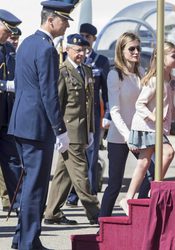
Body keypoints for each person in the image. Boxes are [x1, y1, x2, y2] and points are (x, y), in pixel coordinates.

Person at [8, 1, 74, 249]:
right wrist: (60, 129)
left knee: (28, 186)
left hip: (21, 123)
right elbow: (49, 93)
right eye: (64, 20)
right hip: (37, 127)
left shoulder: (26, 43)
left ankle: (20, 238)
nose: (66, 25)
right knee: (35, 188)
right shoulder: (46, 49)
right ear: (51, 20)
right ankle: (29, 242)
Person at [119, 41, 175, 215]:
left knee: (144, 163)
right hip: (146, 126)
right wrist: (154, 118)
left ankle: (130, 197)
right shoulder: (154, 80)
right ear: (161, 58)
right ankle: (154, 188)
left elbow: (171, 108)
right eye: (173, 55)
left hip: (157, 127)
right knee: (167, 153)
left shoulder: (171, 80)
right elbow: (140, 104)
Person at [44, 33, 100, 226]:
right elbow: (56, 104)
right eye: (77, 50)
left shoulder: (87, 70)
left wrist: (91, 130)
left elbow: (90, 103)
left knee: (64, 173)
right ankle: (95, 213)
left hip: (82, 130)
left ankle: (52, 211)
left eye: (84, 50)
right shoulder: (62, 71)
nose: (81, 54)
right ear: (67, 50)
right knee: (80, 173)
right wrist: (58, 131)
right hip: (70, 131)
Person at [99, 32, 155, 217]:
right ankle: (103, 222)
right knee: (115, 184)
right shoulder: (115, 75)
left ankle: (137, 210)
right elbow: (114, 110)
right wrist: (128, 135)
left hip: (140, 134)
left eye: (138, 48)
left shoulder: (141, 73)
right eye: (131, 48)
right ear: (121, 51)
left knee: (151, 174)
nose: (136, 52)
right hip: (119, 136)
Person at [67, 23, 110, 205]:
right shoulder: (71, 59)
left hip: (93, 115)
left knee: (91, 157)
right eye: (82, 35)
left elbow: (106, 91)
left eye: (88, 37)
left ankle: (90, 194)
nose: (85, 39)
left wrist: (107, 114)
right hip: (74, 115)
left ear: (94, 38)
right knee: (73, 156)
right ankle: (72, 195)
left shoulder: (100, 61)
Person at [0, 10, 22, 214]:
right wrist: (5, 85)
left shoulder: (9, 49)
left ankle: (19, 202)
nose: (9, 36)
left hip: (6, 116)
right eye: (7, 30)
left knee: (13, 161)